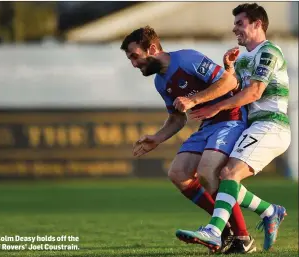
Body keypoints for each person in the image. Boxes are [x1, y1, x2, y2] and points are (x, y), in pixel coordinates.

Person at [120, 26, 257, 254]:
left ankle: (243, 238)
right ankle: (224, 233)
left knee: (208, 172)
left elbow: (229, 83)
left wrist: (194, 99)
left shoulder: (187, 59)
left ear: (152, 48)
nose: (134, 64)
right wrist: (157, 138)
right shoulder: (160, 82)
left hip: (231, 118)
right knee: (179, 174)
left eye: (135, 56)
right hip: (208, 125)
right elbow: (177, 118)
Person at [176, 3, 291, 252]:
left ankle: (214, 231)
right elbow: (236, 87)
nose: (234, 28)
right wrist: (229, 68)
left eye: (240, 23)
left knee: (229, 174)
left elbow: (255, 91)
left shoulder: (270, 51)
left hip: (271, 126)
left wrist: (216, 108)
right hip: (254, 127)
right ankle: (270, 211)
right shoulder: (244, 59)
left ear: (257, 24)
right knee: (222, 177)